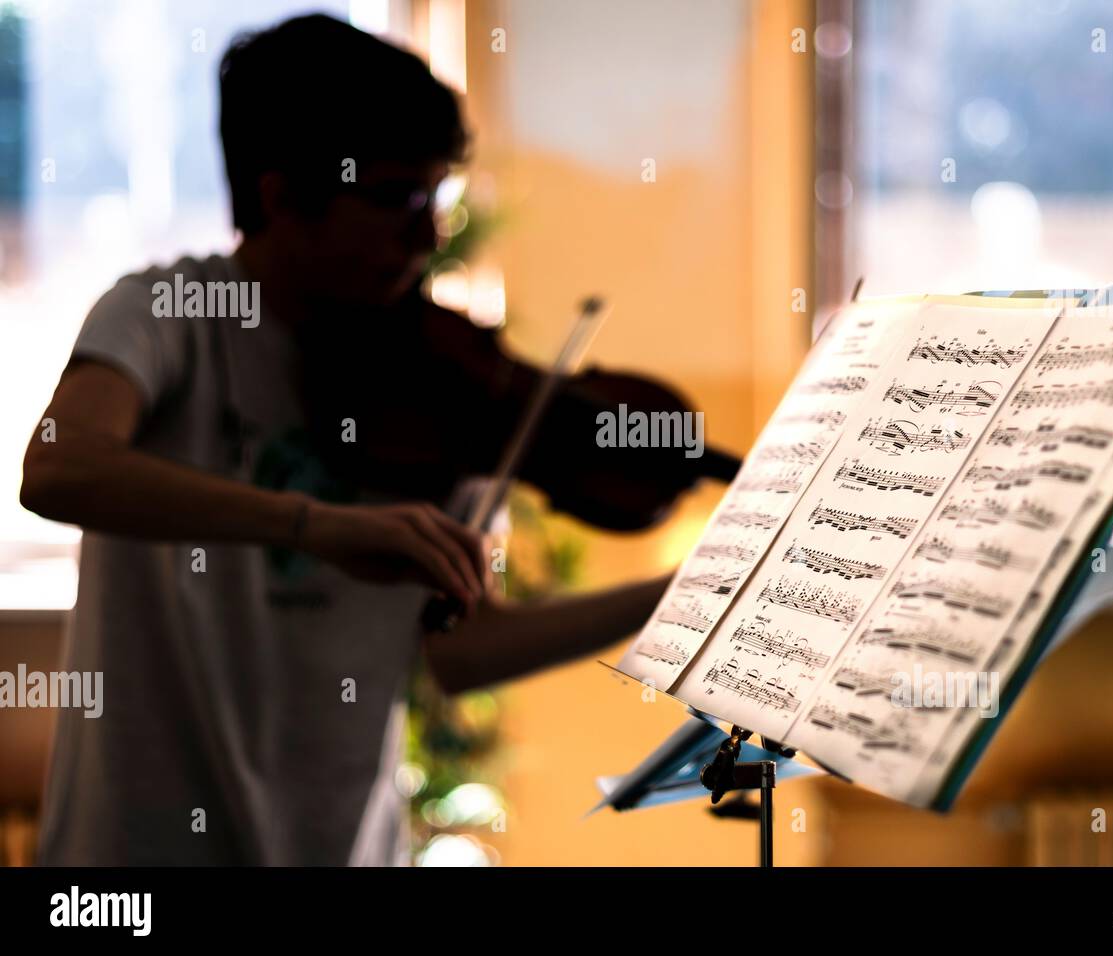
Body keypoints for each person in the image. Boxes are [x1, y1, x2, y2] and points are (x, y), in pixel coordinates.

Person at [19, 14, 672, 866]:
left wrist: (675, 595)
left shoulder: (432, 381)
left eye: (437, 199)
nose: (430, 237)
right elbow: (60, 466)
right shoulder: (168, 314)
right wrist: (316, 523)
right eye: (399, 199)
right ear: (281, 195)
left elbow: (463, 649)